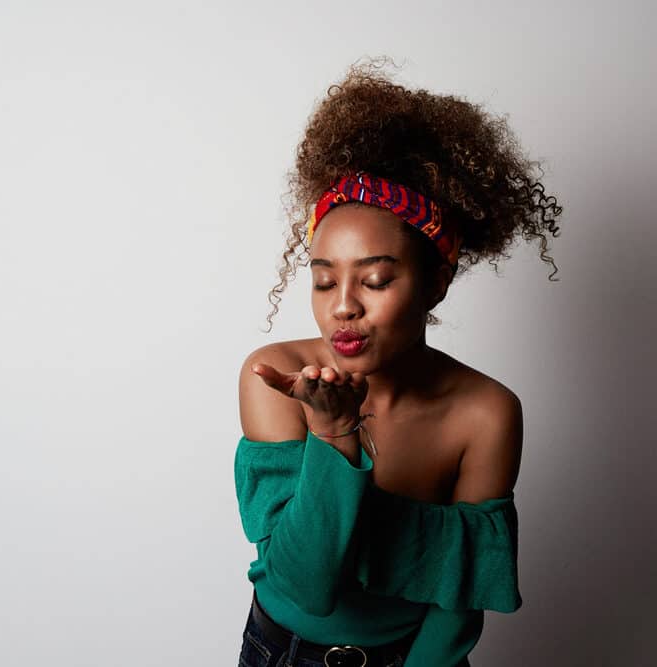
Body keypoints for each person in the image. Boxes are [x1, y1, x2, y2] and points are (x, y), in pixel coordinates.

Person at [234, 58, 562, 667]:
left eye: (377, 280)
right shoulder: (274, 379)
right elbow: (307, 583)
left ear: (436, 282)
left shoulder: (485, 413)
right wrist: (333, 435)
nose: (344, 308)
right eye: (325, 282)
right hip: (279, 653)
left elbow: (459, 603)